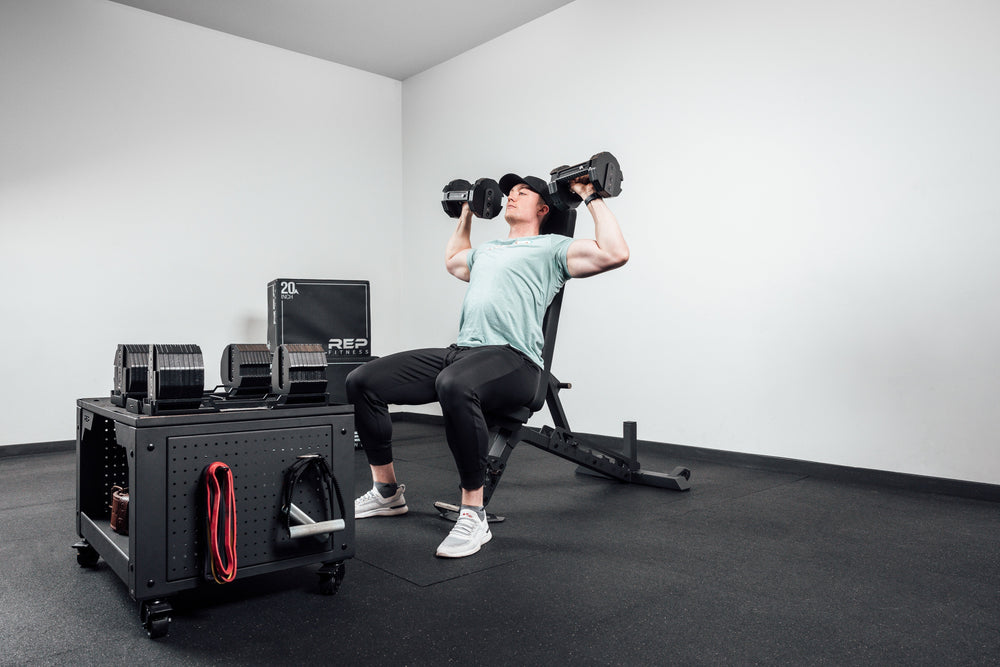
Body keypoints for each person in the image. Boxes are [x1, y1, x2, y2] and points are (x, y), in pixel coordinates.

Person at [345, 170, 629, 558]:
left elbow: (615, 252)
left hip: (515, 361)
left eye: (523, 192)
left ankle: (474, 513)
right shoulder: (487, 250)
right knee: (363, 380)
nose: (511, 196)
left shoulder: (552, 248)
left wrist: (589, 193)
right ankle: (387, 492)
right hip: (462, 352)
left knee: (454, 384)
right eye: (509, 191)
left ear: (543, 208)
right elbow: (452, 259)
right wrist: (466, 214)